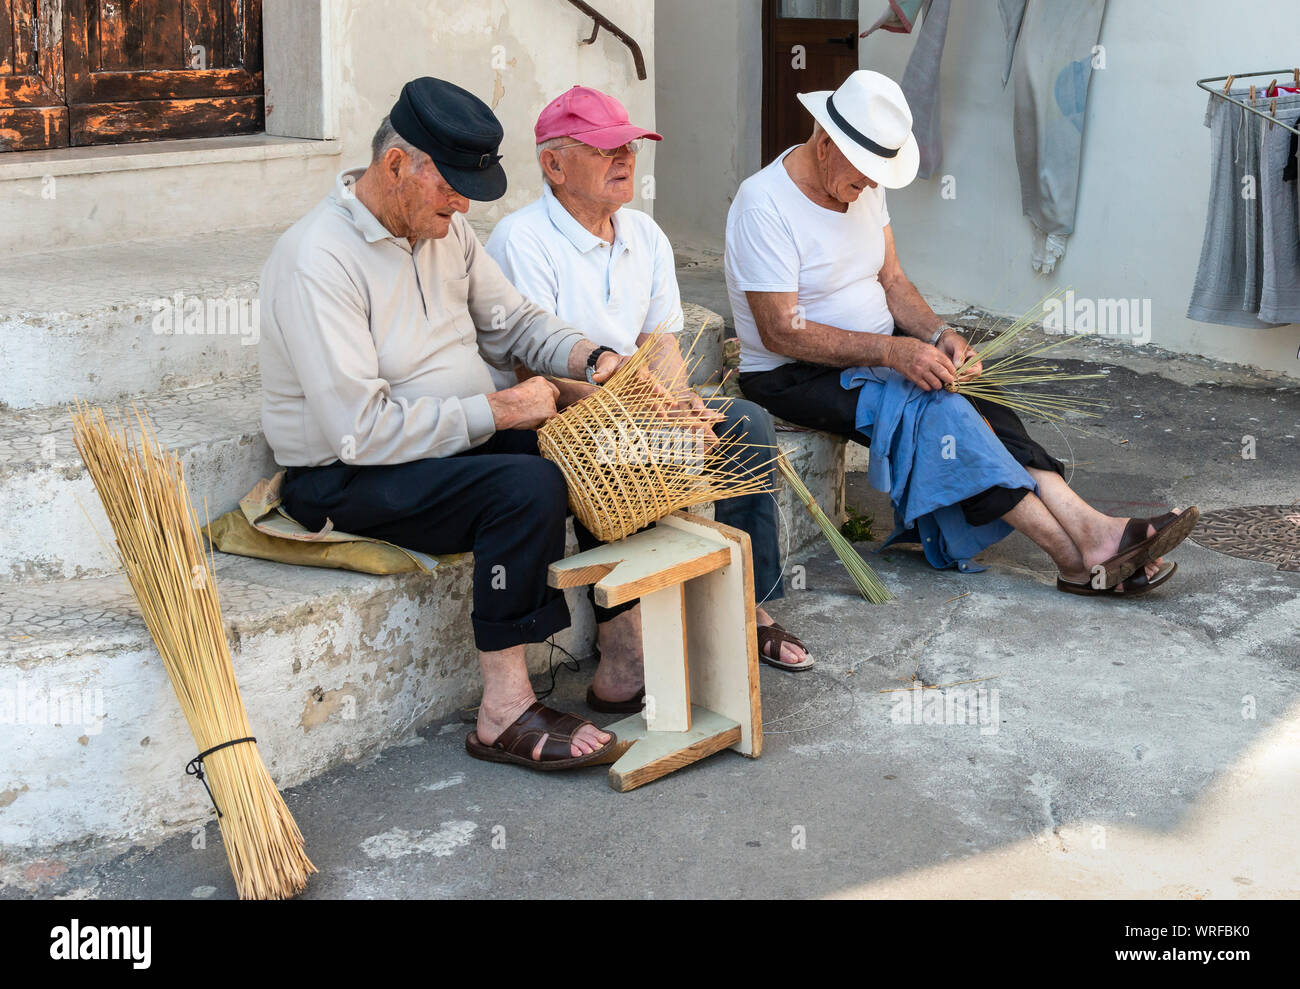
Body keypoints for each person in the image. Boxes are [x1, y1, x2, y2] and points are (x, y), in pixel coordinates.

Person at [259, 77, 644, 773]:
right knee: (524, 488)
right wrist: (497, 410)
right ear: (396, 165)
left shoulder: (445, 228)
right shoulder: (317, 259)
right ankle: (502, 709)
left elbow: (516, 321)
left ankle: (626, 650)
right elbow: (361, 432)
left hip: (443, 442)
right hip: (345, 475)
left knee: (589, 444)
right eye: (452, 187)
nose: (462, 204)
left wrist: (595, 358)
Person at [726, 71, 1197, 595]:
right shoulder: (764, 204)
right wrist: (891, 351)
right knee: (945, 415)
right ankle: (1074, 553)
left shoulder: (859, 187)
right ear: (825, 143)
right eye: (864, 176)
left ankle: (1095, 534)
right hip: (794, 375)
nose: (871, 189)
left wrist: (937, 334)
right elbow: (778, 332)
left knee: (978, 397)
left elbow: (894, 280)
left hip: (878, 358)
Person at [487, 85, 813, 684]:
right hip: (560, 423)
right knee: (620, 450)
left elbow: (660, 340)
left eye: (630, 147)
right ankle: (622, 647)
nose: (625, 160)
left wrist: (680, 401)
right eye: (605, 149)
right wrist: (641, 411)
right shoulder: (522, 239)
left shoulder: (644, 233)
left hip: (635, 405)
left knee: (747, 426)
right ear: (553, 164)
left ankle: (751, 603)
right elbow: (533, 371)